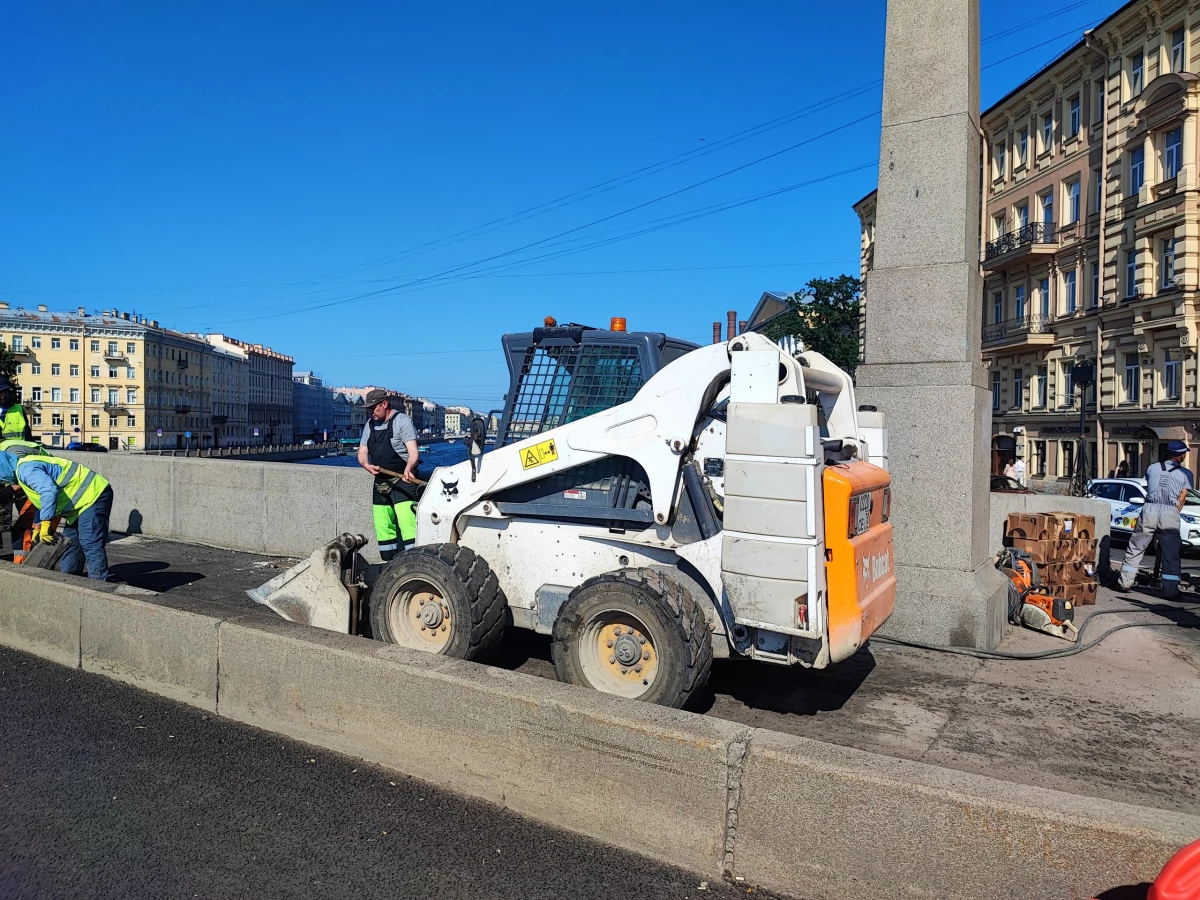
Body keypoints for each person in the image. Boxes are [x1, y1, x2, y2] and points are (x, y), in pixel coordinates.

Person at [0, 450, 113, 580]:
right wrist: (38, 528)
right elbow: (40, 502)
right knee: (71, 543)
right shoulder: (23, 471)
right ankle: (70, 582)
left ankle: (97, 588)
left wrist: (46, 522)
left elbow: (49, 491)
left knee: (90, 542)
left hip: (93, 495)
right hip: (78, 503)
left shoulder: (26, 470)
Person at [1117, 440, 1194, 597]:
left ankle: (1125, 583)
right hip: (1170, 512)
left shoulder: (1152, 467)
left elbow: (1149, 484)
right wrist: (1173, 514)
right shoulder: (1186, 474)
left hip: (1149, 509)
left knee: (1136, 547)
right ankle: (1170, 590)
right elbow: (1182, 498)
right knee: (1170, 554)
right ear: (1181, 455)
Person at [357, 389, 421, 561]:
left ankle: (414, 562)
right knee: (383, 527)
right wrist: (365, 464)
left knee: (408, 525)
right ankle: (388, 563)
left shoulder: (402, 421)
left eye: (374, 408)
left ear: (384, 404)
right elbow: (362, 451)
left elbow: (413, 451)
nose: (371, 412)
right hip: (381, 482)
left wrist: (409, 468)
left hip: (403, 480)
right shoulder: (370, 424)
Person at [0, 377, 33, 443]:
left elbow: (28, 435)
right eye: (0, 391)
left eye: (5, 391)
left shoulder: (19, 409)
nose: (3, 395)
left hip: (19, 451)